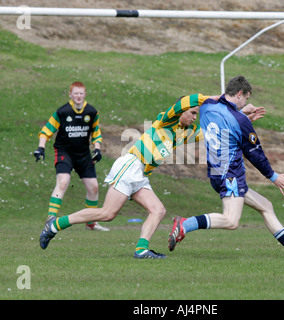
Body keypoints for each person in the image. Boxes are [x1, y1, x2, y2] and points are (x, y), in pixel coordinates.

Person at [39, 93, 221, 258]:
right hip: (130, 166)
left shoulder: (183, 133)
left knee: (158, 210)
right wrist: (217, 98)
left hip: (139, 173)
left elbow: (208, 133)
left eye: (196, 114)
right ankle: (55, 225)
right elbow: (189, 100)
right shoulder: (167, 120)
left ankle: (141, 250)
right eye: (192, 113)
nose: (194, 117)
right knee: (107, 213)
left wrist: (236, 112)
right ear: (181, 111)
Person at [168, 76, 284, 258]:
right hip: (230, 175)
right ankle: (185, 224)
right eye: (246, 98)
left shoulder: (207, 107)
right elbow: (255, 154)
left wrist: (243, 113)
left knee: (266, 206)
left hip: (216, 173)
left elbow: (224, 117)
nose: (247, 102)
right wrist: (273, 176)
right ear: (239, 93)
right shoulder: (240, 121)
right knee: (231, 221)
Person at [34, 81, 109, 232]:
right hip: (64, 152)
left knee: (93, 187)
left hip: (83, 154)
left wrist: (98, 149)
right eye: (75, 93)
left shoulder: (91, 112)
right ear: (70, 95)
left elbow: (96, 132)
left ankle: (91, 223)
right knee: (63, 182)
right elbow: (46, 130)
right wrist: (40, 148)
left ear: (85, 94)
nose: (78, 96)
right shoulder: (62, 112)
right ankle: (50, 219)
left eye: (81, 93)